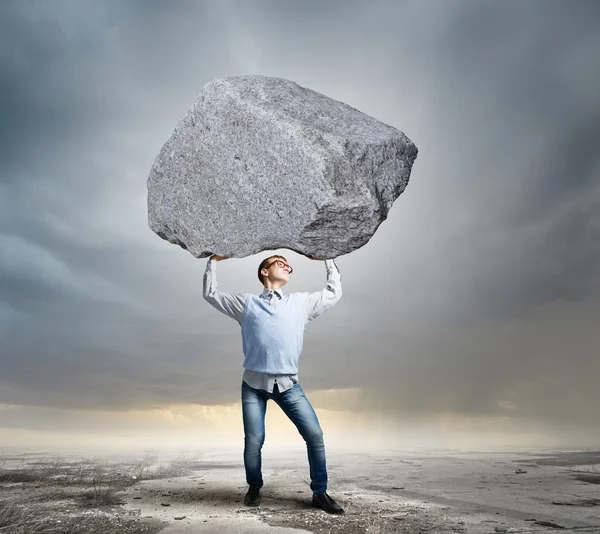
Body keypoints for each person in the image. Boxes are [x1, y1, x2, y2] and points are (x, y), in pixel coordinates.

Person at [203, 252, 344, 514]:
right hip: (253, 387)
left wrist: (327, 259)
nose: (287, 266)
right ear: (264, 272)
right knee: (254, 441)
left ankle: (320, 493)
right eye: (280, 263)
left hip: (289, 386)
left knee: (315, 435)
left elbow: (333, 292)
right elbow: (211, 293)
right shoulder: (246, 304)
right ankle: (254, 486)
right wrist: (213, 261)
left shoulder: (301, 303)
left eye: (289, 265)